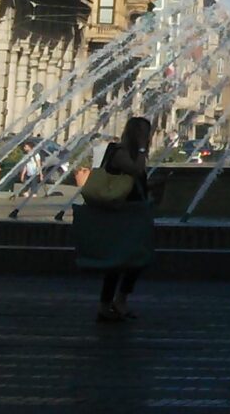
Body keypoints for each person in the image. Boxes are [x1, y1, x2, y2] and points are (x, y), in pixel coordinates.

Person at [80, 115, 158, 322]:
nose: (147, 136)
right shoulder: (119, 152)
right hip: (119, 212)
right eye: (143, 132)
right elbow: (136, 170)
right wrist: (142, 149)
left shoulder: (132, 154)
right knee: (118, 261)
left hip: (133, 211)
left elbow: (136, 181)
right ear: (134, 133)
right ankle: (106, 305)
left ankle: (119, 300)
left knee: (135, 259)